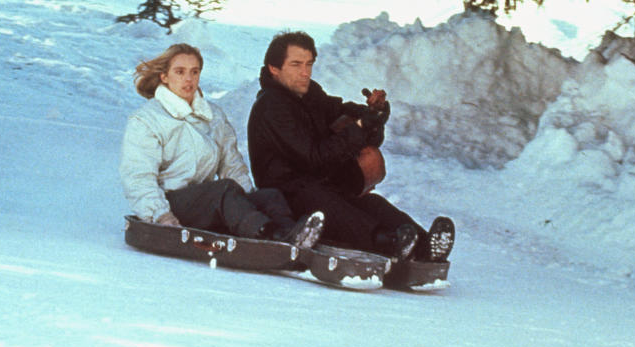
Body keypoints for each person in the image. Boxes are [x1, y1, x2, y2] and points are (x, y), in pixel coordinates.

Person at [246, 31, 454, 262]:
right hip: (287, 192)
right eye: (296, 65)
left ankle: (426, 245)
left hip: (319, 181)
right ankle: (388, 242)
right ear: (274, 69)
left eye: (309, 64)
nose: (305, 73)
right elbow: (312, 157)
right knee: (329, 203)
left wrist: (373, 115)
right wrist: (358, 127)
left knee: (368, 202)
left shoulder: (309, 94)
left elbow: (342, 113)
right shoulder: (271, 106)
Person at [120, 43, 323, 248]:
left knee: (269, 195)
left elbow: (231, 164)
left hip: (207, 201)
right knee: (223, 190)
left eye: (194, 72)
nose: (188, 79)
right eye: (180, 72)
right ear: (164, 76)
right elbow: (138, 177)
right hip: (170, 205)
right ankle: (268, 237)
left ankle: (293, 235)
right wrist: (161, 215)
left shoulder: (213, 116)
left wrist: (250, 201)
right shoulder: (147, 119)